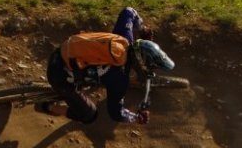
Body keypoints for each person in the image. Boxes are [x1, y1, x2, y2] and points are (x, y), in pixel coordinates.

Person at [38, 7, 175, 125]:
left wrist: (142, 28)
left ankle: (85, 77)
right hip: (59, 76)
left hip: (62, 50)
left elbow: (129, 12)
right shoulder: (120, 79)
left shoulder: (125, 39)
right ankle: (48, 107)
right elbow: (116, 113)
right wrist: (136, 118)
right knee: (89, 115)